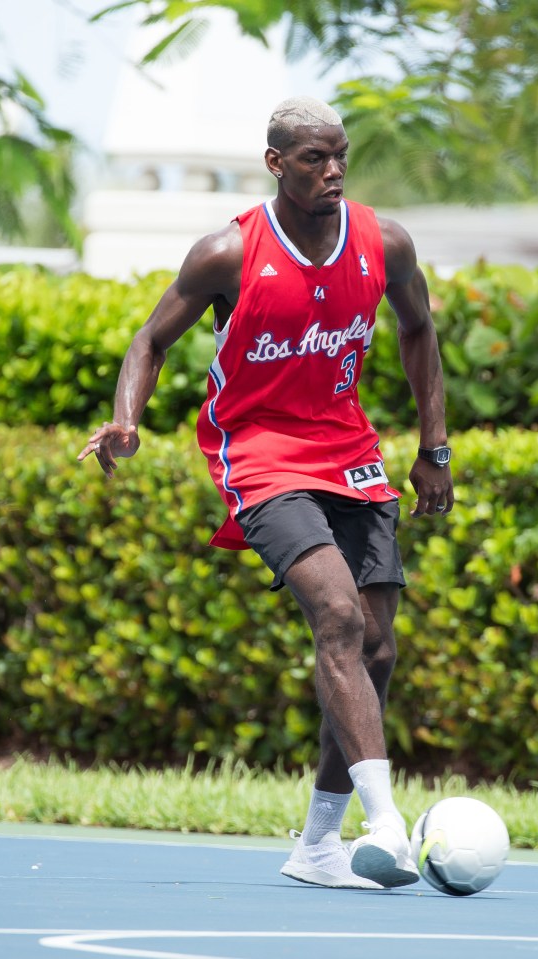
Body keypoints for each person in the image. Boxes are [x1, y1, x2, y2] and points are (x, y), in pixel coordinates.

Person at [78, 96, 454, 890]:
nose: (334, 171)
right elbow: (151, 339)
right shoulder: (229, 252)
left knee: (376, 649)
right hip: (257, 453)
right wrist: (126, 419)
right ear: (277, 163)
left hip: (349, 451)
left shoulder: (383, 241)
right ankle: (386, 821)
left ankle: (318, 845)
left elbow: (418, 328)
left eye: (341, 155)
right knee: (339, 615)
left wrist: (433, 448)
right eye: (315, 159)